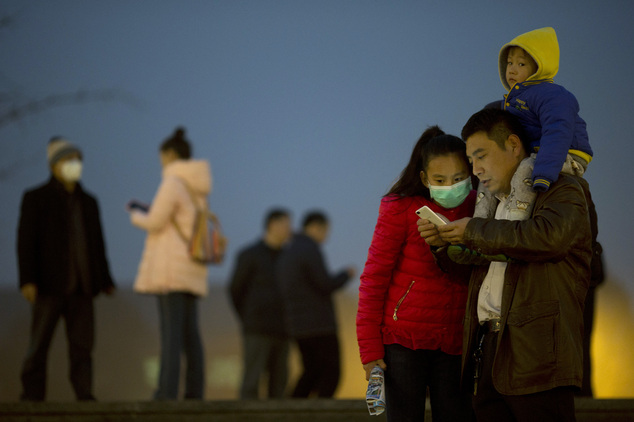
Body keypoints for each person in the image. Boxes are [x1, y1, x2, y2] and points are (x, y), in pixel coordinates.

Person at [418, 108, 592, 421]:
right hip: (489, 355)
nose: (476, 169)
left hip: (537, 358)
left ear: (513, 145)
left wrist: (472, 230)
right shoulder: (495, 204)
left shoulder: (562, 189)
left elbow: (546, 238)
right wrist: (443, 246)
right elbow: (478, 269)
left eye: (481, 155)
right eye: (471, 160)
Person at [356, 126, 476, 421]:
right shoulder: (400, 208)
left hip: (456, 341)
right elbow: (374, 278)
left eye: (459, 178)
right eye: (440, 180)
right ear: (424, 178)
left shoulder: (480, 207)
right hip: (403, 342)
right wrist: (370, 350)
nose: (451, 186)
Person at [458, 27, 594, 264]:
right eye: (509, 63)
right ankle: (476, 234)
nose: (512, 69)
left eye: (521, 64)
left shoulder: (554, 95)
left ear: (540, 67)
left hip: (565, 154)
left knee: (525, 171)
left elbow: (557, 132)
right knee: (486, 186)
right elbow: (496, 112)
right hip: (541, 153)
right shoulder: (516, 99)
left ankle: (512, 229)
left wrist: (543, 173)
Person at [17, 136, 116, 401]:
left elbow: (98, 243)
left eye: (78, 160)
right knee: (38, 346)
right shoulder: (36, 198)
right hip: (49, 285)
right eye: (69, 160)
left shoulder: (89, 202)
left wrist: (105, 279)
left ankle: (85, 395)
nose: (75, 164)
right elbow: (25, 242)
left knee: (82, 348)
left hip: (83, 287)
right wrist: (27, 279)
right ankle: (32, 396)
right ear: (54, 166)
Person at [128, 127, 212, 400]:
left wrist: (136, 214)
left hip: (171, 272)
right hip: (192, 269)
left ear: (170, 154)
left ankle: (166, 392)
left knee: (171, 335)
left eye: (162, 156)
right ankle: (194, 392)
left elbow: (155, 221)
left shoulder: (173, 183)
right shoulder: (197, 188)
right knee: (191, 336)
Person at [277, 211, 355, 398]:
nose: (326, 236)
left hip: (298, 325)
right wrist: (346, 275)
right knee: (331, 372)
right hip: (319, 325)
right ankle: (320, 413)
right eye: (325, 230)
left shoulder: (289, 250)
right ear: (315, 227)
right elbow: (325, 284)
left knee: (310, 372)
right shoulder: (309, 249)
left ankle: (290, 411)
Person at [229, 208, 293, 399]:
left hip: (284, 328)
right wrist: (248, 316)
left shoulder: (289, 258)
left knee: (280, 383)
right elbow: (235, 290)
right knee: (251, 382)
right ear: (272, 225)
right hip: (257, 328)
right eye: (286, 225)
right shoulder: (249, 255)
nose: (290, 230)